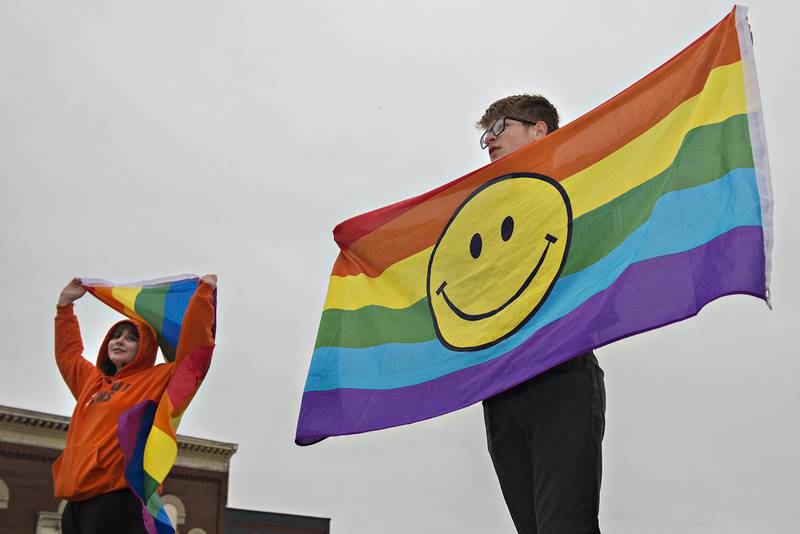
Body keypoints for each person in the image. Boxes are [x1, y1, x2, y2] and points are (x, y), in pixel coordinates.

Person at [477, 94, 606, 534]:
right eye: (484, 136)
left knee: (565, 526)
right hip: (500, 388)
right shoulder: (483, 214)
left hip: (561, 375)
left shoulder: (578, 183)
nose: (489, 140)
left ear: (539, 130)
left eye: (499, 129)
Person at [53, 274, 217, 534]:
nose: (118, 341)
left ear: (145, 347)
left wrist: (202, 299)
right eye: (115, 336)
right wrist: (65, 307)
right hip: (75, 502)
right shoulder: (93, 384)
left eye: (130, 338)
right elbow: (68, 355)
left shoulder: (157, 378)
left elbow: (194, 355)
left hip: (117, 498)